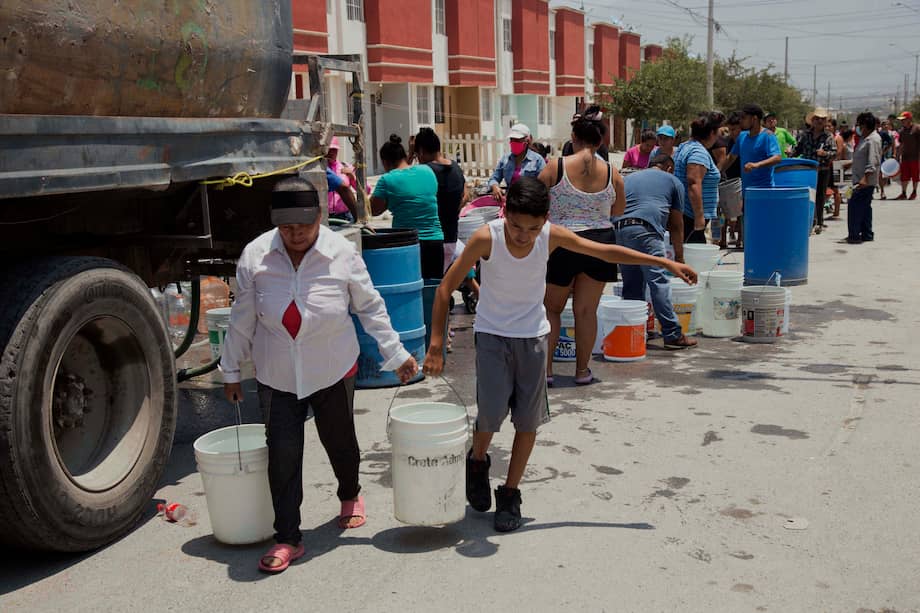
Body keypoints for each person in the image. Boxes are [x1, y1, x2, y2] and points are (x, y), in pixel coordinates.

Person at [421, 177, 696, 532]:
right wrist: (435, 346)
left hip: (533, 339)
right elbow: (445, 289)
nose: (523, 235)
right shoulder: (486, 237)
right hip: (491, 337)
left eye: (532, 228)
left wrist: (664, 263)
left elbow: (605, 252)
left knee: (528, 421)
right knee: (489, 416)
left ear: (545, 220)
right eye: (517, 226)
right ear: (505, 214)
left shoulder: (551, 235)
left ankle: (510, 493)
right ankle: (477, 460)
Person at [220, 176, 419, 573]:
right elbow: (242, 319)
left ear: (319, 218)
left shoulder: (341, 253)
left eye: (304, 227)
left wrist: (396, 353)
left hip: (331, 366)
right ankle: (288, 537)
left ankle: (349, 493)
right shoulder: (256, 256)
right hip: (276, 371)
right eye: (287, 228)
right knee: (283, 453)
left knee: (339, 438)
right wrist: (229, 369)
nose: (295, 235)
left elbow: (370, 307)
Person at [538, 109, 624, 386]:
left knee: (551, 308)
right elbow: (618, 209)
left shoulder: (556, 167)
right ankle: (582, 371)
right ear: (600, 141)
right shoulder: (613, 172)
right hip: (600, 243)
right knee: (586, 311)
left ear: (573, 137)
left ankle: (547, 371)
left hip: (562, 241)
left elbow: (534, 200)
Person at [615, 154, 696, 349]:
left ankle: (636, 329)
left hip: (619, 229)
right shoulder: (674, 181)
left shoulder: (630, 178)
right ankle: (672, 334)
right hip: (645, 230)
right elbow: (677, 224)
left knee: (632, 284)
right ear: (669, 168)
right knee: (658, 282)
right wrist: (679, 258)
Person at [371, 134, 445, 278]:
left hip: (407, 243)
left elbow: (373, 210)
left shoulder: (387, 180)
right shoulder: (427, 171)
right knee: (432, 289)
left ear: (385, 162)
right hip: (435, 241)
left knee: (410, 289)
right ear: (404, 156)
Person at [414, 127, 466, 272]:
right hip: (451, 239)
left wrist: (409, 155)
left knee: (432, 288)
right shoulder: (456, 168)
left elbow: (399, 177)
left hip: (431, 241)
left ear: (422, 152)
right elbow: (465, 196)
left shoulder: (425, 171)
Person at [674, 111, 724, 243]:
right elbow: (693, 183)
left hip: (685, 213)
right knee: (694, 256)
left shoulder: (685, 146)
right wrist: (699, 216)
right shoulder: (698, 152)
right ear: (712, 133)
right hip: (691, 216)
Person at [720, 104, 782, 195]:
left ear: (754, 118)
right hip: (746, 191)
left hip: (764, 191)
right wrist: (718, 172)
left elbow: (777, 158)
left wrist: (757, 165)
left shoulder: (768, 136)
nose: (740, 121)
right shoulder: (742, 136)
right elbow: (731, 157)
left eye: (743, 118)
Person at [793, 107, 837, 234]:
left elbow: (834, 154)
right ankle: (808, 220)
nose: (819, 121)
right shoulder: (805, 135)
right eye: (817, 119)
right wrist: (791, 153)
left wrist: (824, 153)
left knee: (820, 197)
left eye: (822, 119)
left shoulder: (828, 137)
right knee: (807, 195)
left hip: (822, 170)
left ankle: (819, 222)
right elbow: (798, 149)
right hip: (806, 170)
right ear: (812, 120)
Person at [842, 112, 882, 244]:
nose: (857, 128)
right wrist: (851, 163)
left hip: (864, 181)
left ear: (865, 126)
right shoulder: (865, 139)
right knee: (865, 208)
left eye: (859, 125)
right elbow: (862, 157)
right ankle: (867, 233)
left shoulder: (873, 140)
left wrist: (865, 178)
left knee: (855, 207)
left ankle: (854, 235)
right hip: (859, 178)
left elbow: (873, 161)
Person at [488, 123, 546, 202]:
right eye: (511, 140)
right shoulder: (505, 159)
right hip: (509, 201)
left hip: (530, 202)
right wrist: (494, 186)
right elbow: (494, 178)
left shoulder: (538, 160)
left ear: (527, 140)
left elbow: (543, 186)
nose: (513, 142)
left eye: (517, 140)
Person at [325, 137, 361, 222]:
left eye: (334, 149)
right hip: (326, 216)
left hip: (345, 215)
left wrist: (353, 178)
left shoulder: (345, 166)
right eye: (329, 149)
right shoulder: (320, 169)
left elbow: (366, 190)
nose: (331, 152)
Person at [896, 110, 920, 200]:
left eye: (904, 119)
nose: (902, 121)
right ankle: (903, 193)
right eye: (901, 120)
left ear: (909, 119)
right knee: (904, 176)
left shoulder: (917, 128)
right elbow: (901, 144)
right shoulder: (902, 131)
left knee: (915, 176)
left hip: (915, 157)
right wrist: (898, 156)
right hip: (905, 158)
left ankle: (914, 192)